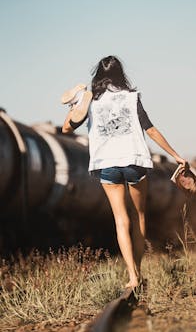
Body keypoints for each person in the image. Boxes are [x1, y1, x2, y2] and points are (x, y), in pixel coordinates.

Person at [62, 55, 186, 288]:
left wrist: (75, 104)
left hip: (106, 163)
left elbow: (66, 128)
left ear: (98, 76)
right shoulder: (131, 98)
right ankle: (138, 269)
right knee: (139, 215)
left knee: (120, 219)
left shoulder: (92, 102)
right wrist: (175, 155)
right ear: (121, 74)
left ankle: (132, 277)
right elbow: (150, 130)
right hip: (134, 160)